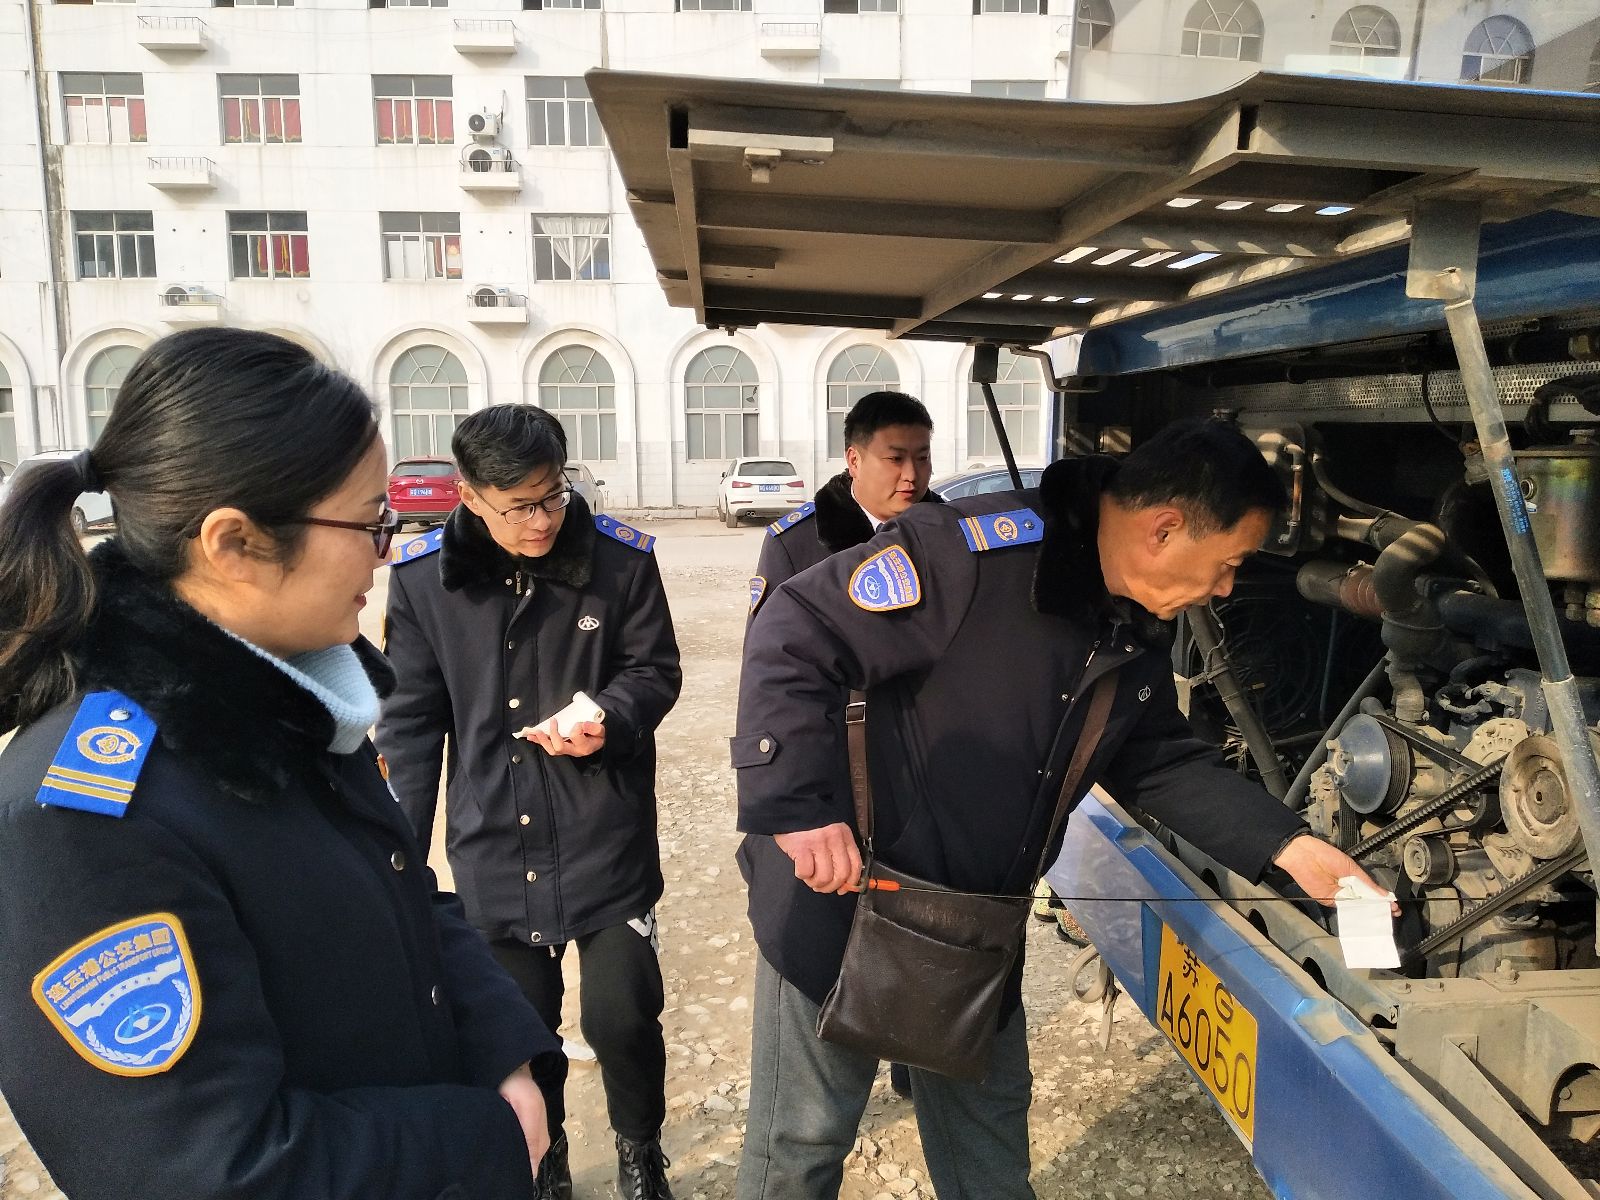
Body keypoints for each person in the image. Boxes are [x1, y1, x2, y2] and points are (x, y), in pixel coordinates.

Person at [732, 418, 1392, 1200]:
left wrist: (1288, 846)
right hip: (847, 903)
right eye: (1228, 564)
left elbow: (1158, 759)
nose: (1225, 588)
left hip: (973, 925)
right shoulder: (968, 556)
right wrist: (796, 808)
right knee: (803, 1145)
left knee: (988, 1151)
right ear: (1163, 529)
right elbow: (795, 629)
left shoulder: (1131, 620)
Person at [0, 328, 558, 1200]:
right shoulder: (89, 818)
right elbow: (200, 1168)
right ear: (235, 544)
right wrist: (474, 1139)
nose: (385, 550)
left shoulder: (285, 696)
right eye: (369, 522)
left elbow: (406, 892)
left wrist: (502, 1050)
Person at [377, 404, 683, 1200]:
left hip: (603, 831)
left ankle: (641, 1151)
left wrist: (610, 716)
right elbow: (410, 726)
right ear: (470, 496)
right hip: (494, 844)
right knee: (520, 1025)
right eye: (520, 506)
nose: (543, 520)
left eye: (553, 496)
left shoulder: (621, 563)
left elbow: (655, 670)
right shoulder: (424, 582)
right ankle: (547, 1162)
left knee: (622, 1016)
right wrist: (398, 859)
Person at [748, 390, 941, 622]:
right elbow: (769, 640)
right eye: (895, 459)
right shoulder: (795, 544)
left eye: (922, 458)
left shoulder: (952, 532)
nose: (911, 475)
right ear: (854, 461)